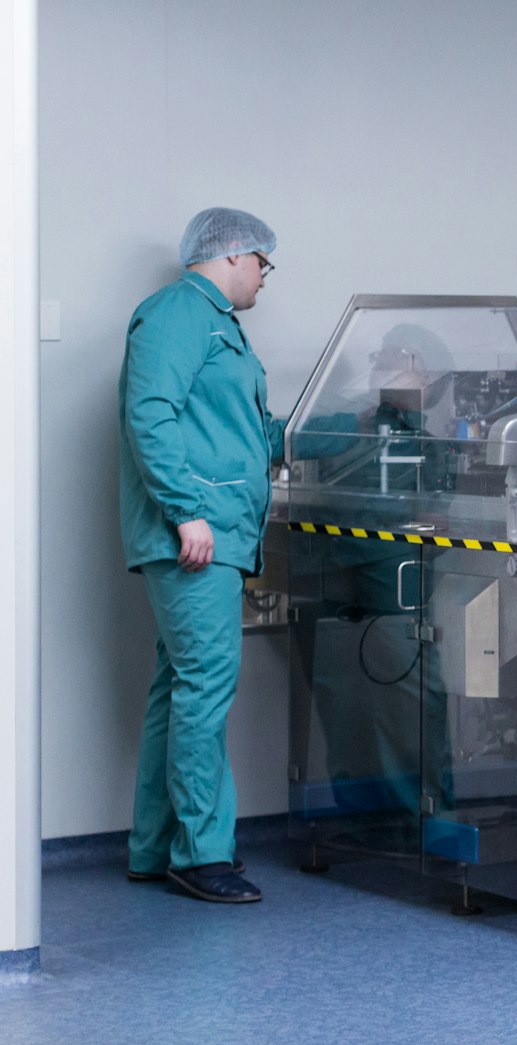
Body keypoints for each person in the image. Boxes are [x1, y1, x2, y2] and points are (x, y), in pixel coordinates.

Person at [119, 208, 285, 905]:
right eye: (264, 265)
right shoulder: (179, 314)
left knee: (178, 686)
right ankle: (202, 853)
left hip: (214, 529)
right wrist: (186, 509)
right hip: (196, 534)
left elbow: (241, 431)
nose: (265, 280)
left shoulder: (217, 325)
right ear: (235, 254)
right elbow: (149, 413)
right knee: (206, 686)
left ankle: (155, 848)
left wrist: (331, 430)